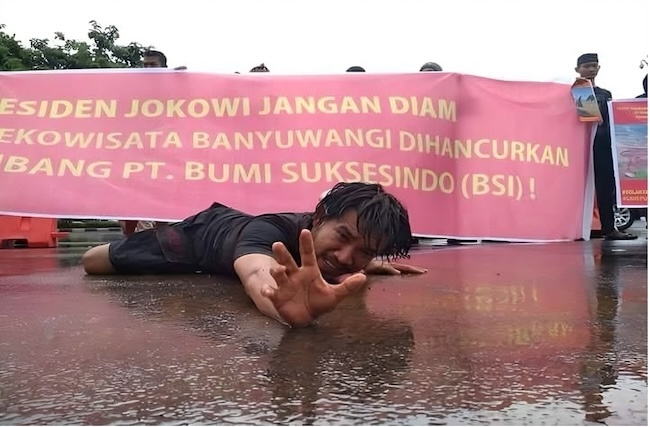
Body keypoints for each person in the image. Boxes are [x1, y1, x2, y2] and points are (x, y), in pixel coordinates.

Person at [82, 182, 426, 327]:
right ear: (320, 216)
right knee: (96, 261)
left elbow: (348, 253)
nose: (346, 258)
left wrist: (370, 264)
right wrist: (280, 303)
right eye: (343, 237)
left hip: (236, 228)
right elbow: (257, 273)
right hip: (199, 236)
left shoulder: (345, 250)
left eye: (364, 251)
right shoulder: (268, 232)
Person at [575, 53, 637, 240]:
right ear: (577, 69)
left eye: (594, 66)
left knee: (605, 188)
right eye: (587, 66)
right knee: (575, 187)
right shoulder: (575, 89)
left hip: (602, 145)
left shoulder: (605, 94)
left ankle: (609, 228)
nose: (591, 69)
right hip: (578, 145)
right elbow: (588, 116)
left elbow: (608, 119)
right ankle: (575, 228)